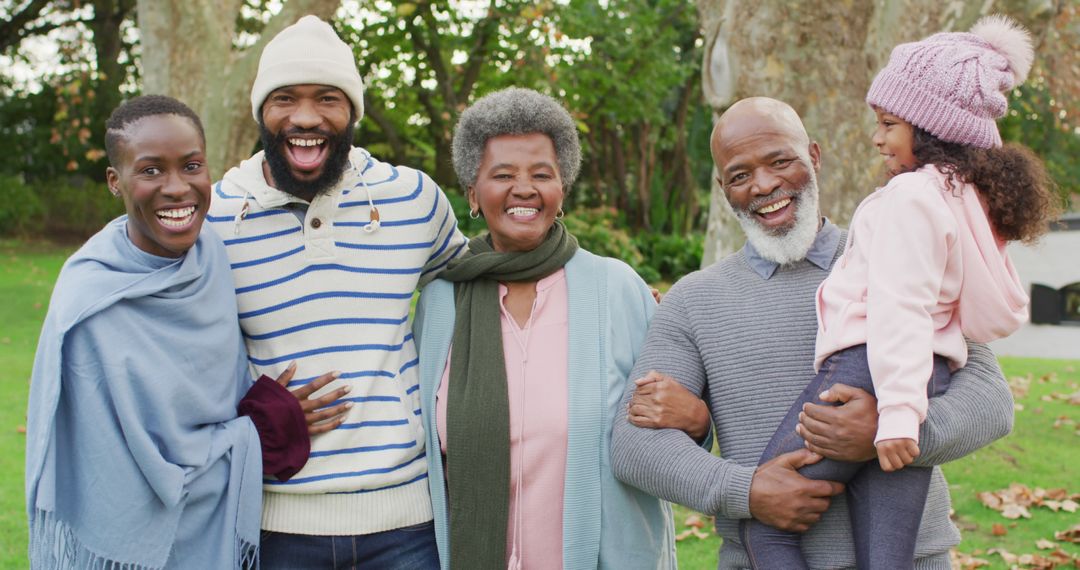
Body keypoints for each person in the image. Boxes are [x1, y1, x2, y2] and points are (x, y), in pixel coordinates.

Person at [611, 96, 1016, 569]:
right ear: (724, 190)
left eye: (781, 161)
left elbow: (991, 399)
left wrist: (893, 433)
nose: (764, 185)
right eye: (740, 176)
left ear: (815, 157)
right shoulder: (694, 300)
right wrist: (746, 492)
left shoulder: (900, 250)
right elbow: (633, 445)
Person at [740, 15, 1060, 569]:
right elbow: (977, 315)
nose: (877, 137)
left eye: (889, 123)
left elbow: (900, 308)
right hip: (924, 377)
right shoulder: (962, 198)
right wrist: (907, 411)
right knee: (887, 559)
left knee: (766, 527)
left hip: (869, 371)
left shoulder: (909, 197)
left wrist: (896, 416)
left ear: (931, 129)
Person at [25, 95, 341, 569]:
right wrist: (265, 429)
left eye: (192, 166)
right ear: (116, 181)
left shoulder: (213, 255)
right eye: (151, 171)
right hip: (125, 547)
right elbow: (106, 467)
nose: (177, 188)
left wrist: (257, 426)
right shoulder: (89, 299)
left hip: (216, 532)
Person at [205, 15, 467, 568]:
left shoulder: (413, 200)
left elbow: (482, 283)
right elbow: (179, 358)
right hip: (274, 525)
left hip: (406, 525)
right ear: (261, 112)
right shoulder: (216, 217)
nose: (305, 117)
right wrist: (250, 422)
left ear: (352, 111)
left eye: (327, 98)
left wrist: (626, 299)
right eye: (284, 99)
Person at [412, 87, 676, 569]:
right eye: (503, 175)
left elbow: (675, 426)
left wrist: (695, 421)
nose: (524, 188)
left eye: (542, 174)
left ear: (562, 189)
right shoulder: (441, 299)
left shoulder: (616, 289)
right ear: (473, 192)